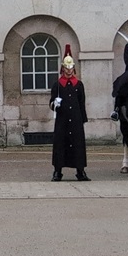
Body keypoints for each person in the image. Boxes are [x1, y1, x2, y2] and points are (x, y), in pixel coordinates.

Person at [49, 45, 89, 182]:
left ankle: (80, 171)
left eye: (71, 68)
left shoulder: (79, 85)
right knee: (61, 145)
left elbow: (81, 102)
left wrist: (83, 119)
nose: (69, 70)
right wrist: (55, 104)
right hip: (62, 120)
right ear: (63, 68)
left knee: (77, 145)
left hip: (76, 119)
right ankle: (57, 171)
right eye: (67, 68)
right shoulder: (58, 85)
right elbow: (51, 103)